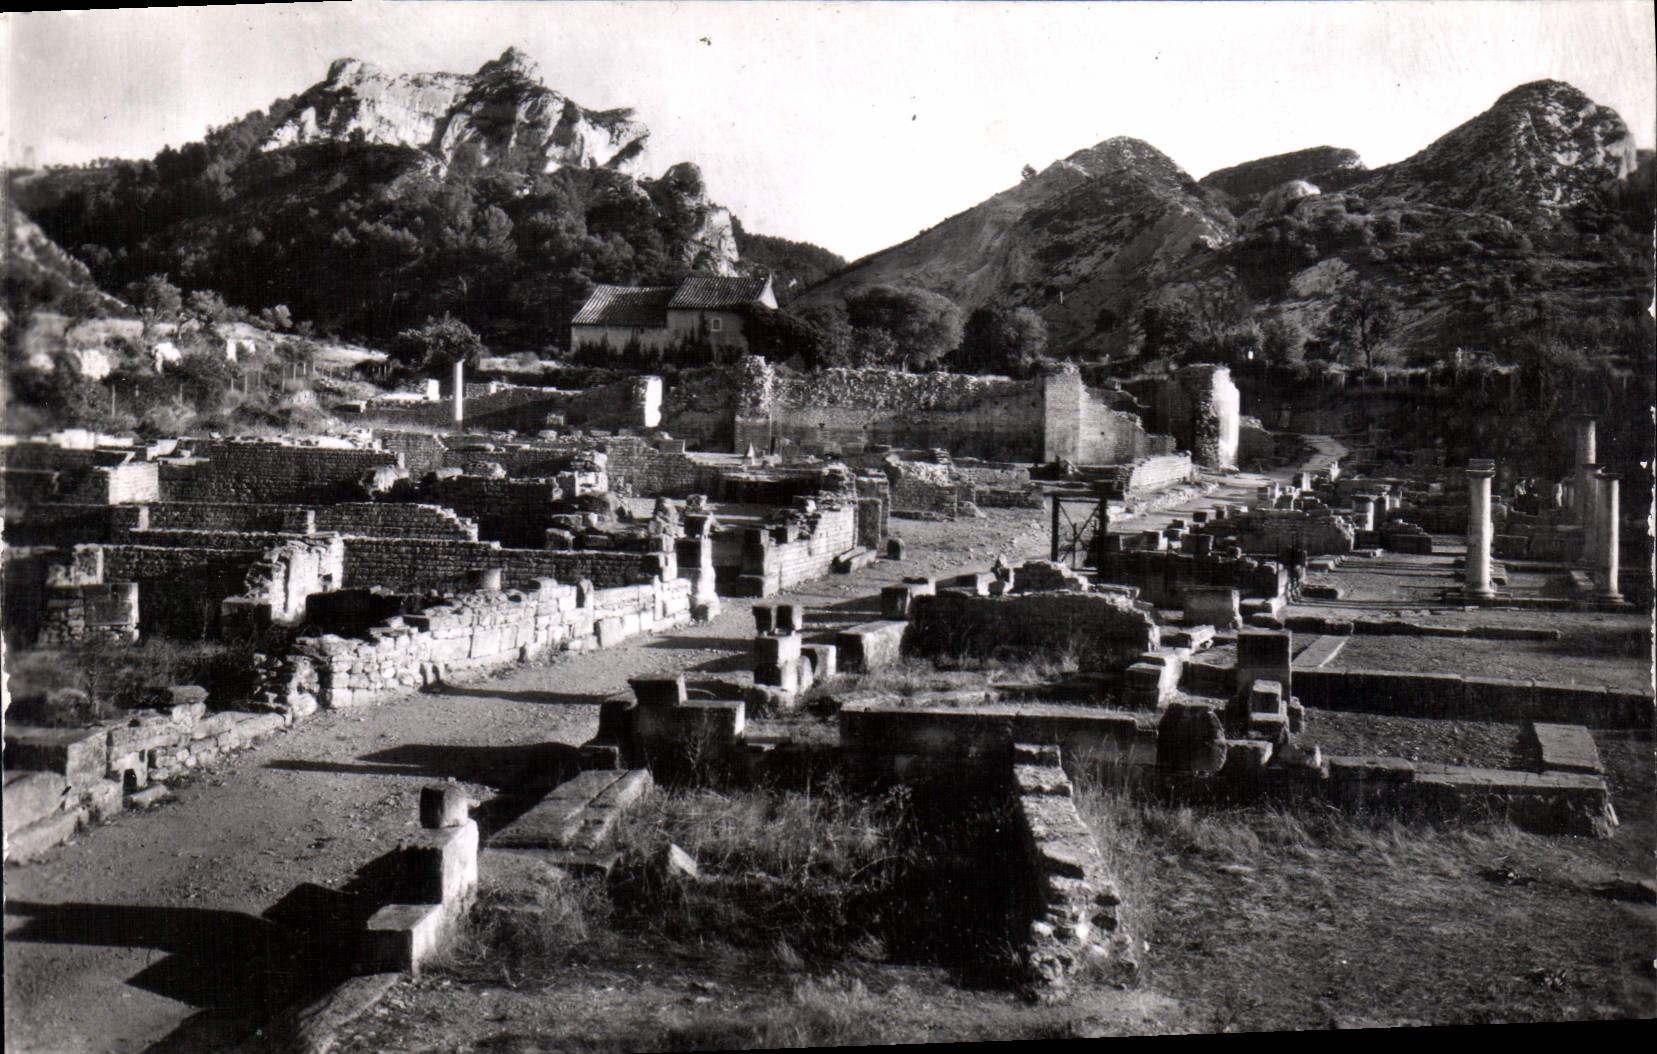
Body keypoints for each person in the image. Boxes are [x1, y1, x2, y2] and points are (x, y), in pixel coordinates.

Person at [1284, 536, 1308, 602]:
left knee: (1296, 582)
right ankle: (1295, 596)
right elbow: (1304, 563)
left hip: (1295, 568)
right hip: (1296, 568)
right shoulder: (1299, 552)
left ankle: (1296, 596)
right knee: (1296, 582)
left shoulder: (1297, 552)